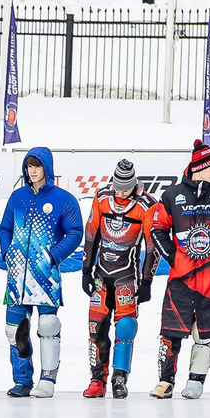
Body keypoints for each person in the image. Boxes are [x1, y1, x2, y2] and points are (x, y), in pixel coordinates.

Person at [149, 142, 210, 399]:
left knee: (203, 332)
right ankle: (165, 382)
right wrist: (171, 256)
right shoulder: (171, 195)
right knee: (171, 332)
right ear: (198, 167)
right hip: (180, 276)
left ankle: (196, 381)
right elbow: (157, 229)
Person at [0, 145, 84, 398]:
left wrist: (53, 255)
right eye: (28, 166)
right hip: (17, 274)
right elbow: (5, 228)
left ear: (47, 168)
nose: (32, 171)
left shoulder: (63, 199)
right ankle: (22, 380)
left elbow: (75, 232)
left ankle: (47, 380)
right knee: (14, 329)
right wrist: (7, 251)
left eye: (36, 166)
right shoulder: (17, 198)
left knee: (47, 325)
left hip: (45, 275)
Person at [78, 158, 160, 398]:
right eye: (117, 186)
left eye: (126, 187)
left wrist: (146, 282)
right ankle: (97, 378)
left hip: (128, 277)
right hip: (102, 275)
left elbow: (152, 246)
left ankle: (120, 378)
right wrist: (85, 270)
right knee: (96, 328)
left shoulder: (146, 205)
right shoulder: (102, 197)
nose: (121, 192)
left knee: (125, 327)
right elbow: (91, 234)